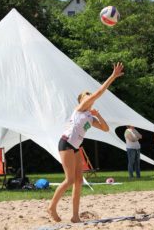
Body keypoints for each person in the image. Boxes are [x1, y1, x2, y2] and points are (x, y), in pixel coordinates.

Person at [48, 62, 124, 223]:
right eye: (86, 96)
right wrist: (113, 76)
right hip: (66, 143)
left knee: (78, 181)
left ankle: (75, 216)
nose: (90, 97)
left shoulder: (90, 116)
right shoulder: (80, 109)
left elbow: (105, 128)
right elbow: (100, 92)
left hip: (75, 147)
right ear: (82, 100)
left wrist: (99, 115)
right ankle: (52, 207)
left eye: (89, 96)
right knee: (69, 180)